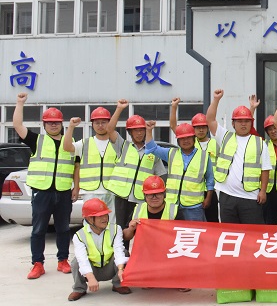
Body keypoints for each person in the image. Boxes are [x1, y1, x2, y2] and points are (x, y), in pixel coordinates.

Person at [13, 93, 79, 279]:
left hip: (63, 192)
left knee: (63, 229)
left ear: (61, 124)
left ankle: (62, 260)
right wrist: (20, 103)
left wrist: (76, 188)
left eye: (56, 122)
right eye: (50, 123)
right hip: (42, 193)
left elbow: (76, 166)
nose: (53, 125)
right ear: (44, 125)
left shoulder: (70, 142)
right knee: (38, 229)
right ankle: (38, 264)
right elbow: (17, 125)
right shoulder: (37, 140)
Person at [206, 89, 271, 224]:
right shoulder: (225, 137)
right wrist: (216, 99)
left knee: (252, 233)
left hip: (250, 197)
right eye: (239, 121)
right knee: (230, 232)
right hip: (227, 196)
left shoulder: (259, 143)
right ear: (233, 123)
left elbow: (265, 169)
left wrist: (263, 191)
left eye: (246, 121)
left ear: (251, 123)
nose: (243, 124)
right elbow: (210, 119)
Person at [62, 101, 127, 225]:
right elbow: (67, 147)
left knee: (111, 225)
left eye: (104, 122)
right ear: (92, 125)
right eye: (97, 123)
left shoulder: (117, 143)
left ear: (109, 123)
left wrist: (119, 109)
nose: (100, 125)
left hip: (112, 191)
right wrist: (71, 127)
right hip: (91, 192)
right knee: (90, 225)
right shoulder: (85, 143)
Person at [107, 111, 167, 240]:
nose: (139, 133)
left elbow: (161, 175)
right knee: (119, 230)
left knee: (140, 230)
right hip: (121, 196)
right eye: (135, 130)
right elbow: (109, 130)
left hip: (140, 198)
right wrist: (119, 109)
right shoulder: (122, 146)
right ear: (130, 132)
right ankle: (122, 252)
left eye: (141, 130)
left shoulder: (153, 151)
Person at [144, 120, 214, 221]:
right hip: (172, 205)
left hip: (194, 207)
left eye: (188, 138)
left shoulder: (204, 156)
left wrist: (208, 198)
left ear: (194, 138)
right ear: (178, 141)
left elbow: (210, 179)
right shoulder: (170, 153)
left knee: (194, 231)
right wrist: (149, 130)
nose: (186, 141)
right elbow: (152, 148)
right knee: (171, 231)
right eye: (182, 138)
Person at [67, 198, 130, 301]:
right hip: (92, 270)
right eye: (100, 216)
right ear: (89, 219)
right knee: (76, 262)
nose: (104, 218)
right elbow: (82, 259)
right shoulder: (79, 235)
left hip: (110, 268)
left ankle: (118, 284)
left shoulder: (116, 229)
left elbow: (119, 250)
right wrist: (90, 277)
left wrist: (120, 270)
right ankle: (79, 289)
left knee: (124, 253)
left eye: (105, 215)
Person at [170, 97, 219, 222]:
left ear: (208, 128)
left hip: (210, 191)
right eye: (197, 127)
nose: (201, 130)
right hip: (193, 193)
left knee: (212, 222)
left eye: (203, 127)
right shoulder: (189, 142)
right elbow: (173, 126)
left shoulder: (215, 144)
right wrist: (174, 107)